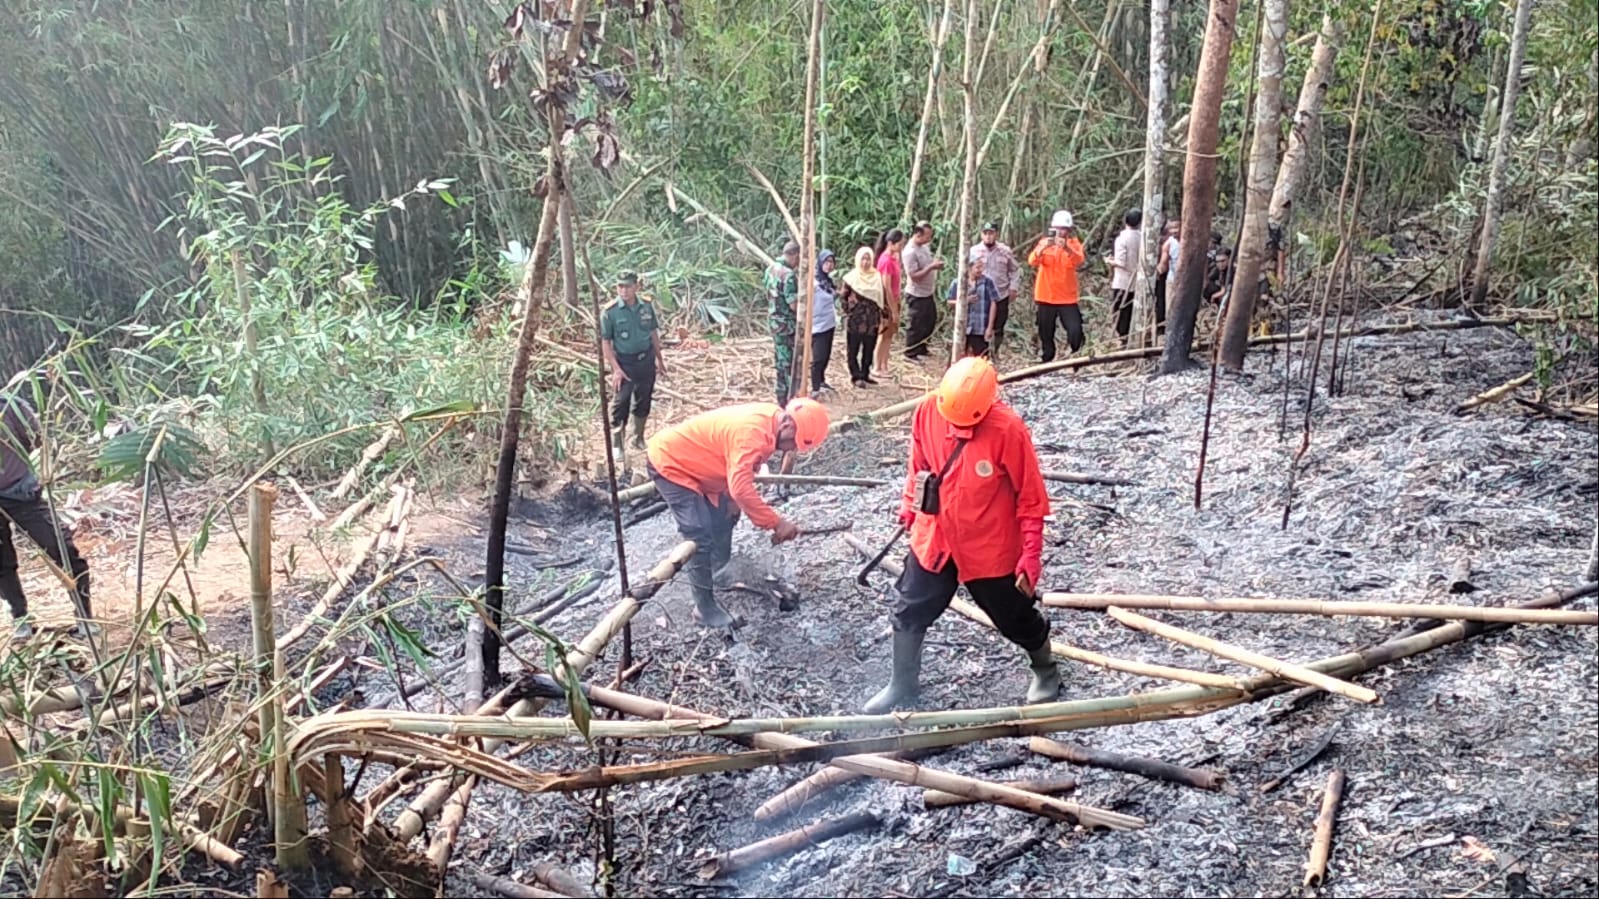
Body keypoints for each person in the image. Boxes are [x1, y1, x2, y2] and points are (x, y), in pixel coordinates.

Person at [861, 357, 1058, 712]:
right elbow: (918, 464)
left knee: (1012, 615)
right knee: (909, 607)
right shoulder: (926, 412)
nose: (954, 428)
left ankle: (1045, 668)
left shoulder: (1008, 430)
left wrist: (1031, 553)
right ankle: (901, 683)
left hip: (989, 544)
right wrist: (910, 503)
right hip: (935, 536)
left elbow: (1031, 498)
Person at [645, 398, 831, 628]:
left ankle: (715, 571)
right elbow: (741, 488)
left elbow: (740, 470)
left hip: (703, 466)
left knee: (727, 514)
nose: (792, 448)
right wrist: (776, 523)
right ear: (788, 425)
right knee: (699, 532)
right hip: (672, 462)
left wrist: (732, 501)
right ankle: (705, 609)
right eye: (794, 442)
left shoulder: (769, 423)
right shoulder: (752, 434)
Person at [2, 388, 92, 639]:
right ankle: (20, 618)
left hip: (21, 492)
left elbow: (36, 440)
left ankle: (85, 616)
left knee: (61, 548)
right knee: (1, 563)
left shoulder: (10, 407)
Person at [600, 271, 666, 451]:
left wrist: (659, 360)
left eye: (628, 286)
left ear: (636, 287)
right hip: (624, 363)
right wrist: (616, 369)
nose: (624, 290)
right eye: (620, 286)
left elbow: (653, 333)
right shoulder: (610, 312)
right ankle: (618, 444)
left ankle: (638, 437)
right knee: (621, 402)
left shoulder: (646, 306)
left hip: (645, 360)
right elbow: (606, 342)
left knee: (643, 400)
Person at [1027, 210, 1087, 363]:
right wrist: (1043, 248)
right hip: (1046, 296)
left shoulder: (1074, 244)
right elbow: (1032, 261)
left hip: (1067, 298)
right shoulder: (1044, 243)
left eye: (1064, 229)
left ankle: (1075, 354)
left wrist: (1066, 248)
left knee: (1075, 330)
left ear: (1069, 230)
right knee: (1045, 331)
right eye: (1058, 228)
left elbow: (1079, 260)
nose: (1061, 232)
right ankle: (1047, 357)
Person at [967, 222, 1020, 360]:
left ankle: (995, 351)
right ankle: (979, 353)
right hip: (980, 296)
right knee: (979, 325)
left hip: (1000, 294)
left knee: (998, 325)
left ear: (996, 234)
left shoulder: (1005, 251)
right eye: (985, 233)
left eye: (991, 233)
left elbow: (1014, 270)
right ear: (981, 235)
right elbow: (967, 271)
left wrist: (1013, 287)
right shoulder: (973, 251)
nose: (988, 236)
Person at [839, 246, 884, 387]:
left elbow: (881, 298)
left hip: (872, 320)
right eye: (863, 259)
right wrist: (849, 311)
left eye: (868, 259)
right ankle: (855, 376)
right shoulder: (851, 277)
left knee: (869, 348)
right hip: (855, 320)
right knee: (853, 349)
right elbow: (843, 297)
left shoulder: (877, 276)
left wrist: (884, 316)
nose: (865, 262)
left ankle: (865, 374)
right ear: (858, 260)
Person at [764, 241, 801, 406]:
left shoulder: (770, 269)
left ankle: (780, 396)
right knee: (789, 364)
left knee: (779, 361)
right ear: (795, 256)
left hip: (774, 322)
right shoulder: (788, 275)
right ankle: (790, 398)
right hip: (787, 325)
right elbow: (793, 304)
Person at [901, 222, 944, 360]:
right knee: (915, 324)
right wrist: (931, 267)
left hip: (927, 292)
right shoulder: (909, 252)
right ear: (918, 235)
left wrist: (933, 265)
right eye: (928, 236)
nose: (930, 239)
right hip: (916, 294)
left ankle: (922, 348)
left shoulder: (924, 247)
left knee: (929, 321)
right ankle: (910, 352)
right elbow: (914, 276)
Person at [945, 256, 999, 358]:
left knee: (982, 356)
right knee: (958, 356)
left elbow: (994, 302)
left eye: (982, 267)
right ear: (969, 268)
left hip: (980, 327)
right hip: (962, 326)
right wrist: (964, 301)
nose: (980, 270)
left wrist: (990, 327)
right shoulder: (958, 282)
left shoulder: (988, 282)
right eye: (977, 267)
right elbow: (949, 302)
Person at [1106, 208, 1143, 344]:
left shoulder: (1122, 239)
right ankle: (1131, 336)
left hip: (1123, 281)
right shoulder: (1142, 237)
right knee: (1131, 310)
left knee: (1121, 312)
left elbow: (1121, 263)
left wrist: (1109, 261)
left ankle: (1123, 338)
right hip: (1138, 281)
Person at [873, 229, 905, 373]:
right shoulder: (885, 261)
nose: (901, 247)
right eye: (899, 244)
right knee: (883, 334)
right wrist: (893, 309)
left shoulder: (893, 259)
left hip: (895, 300)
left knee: (889, 335)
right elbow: (887, 287)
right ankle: (877, 366)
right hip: (887, 302)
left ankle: (884, 365)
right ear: (891, 243)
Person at [809, 250, 838, 395]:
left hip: (829, 323)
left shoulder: (828, 281)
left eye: (831, 262)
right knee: (818, 357)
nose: (829, 265)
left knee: (826, 355)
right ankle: (815, 387)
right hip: (816, 325)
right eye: (826, 262)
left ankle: (821, 381)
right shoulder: (813, 283)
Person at [1154, 219, 1179, 331]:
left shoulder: (1189, 241)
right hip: (1172, 279)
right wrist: (1158, 270)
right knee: (1170, 307)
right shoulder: (1168, 244)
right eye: (1171, 229)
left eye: (1176, 228)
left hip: (1187, 279)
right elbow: (1163, 263)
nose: (1174, 232)